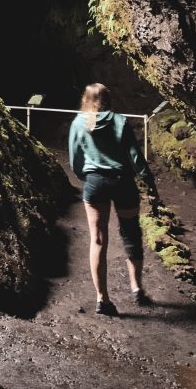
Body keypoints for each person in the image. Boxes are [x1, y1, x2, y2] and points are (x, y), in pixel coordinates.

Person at [68, 82, 159, 315]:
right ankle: (137, 287)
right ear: (108, 99)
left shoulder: (79, 122)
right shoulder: (119, 121)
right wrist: (149, 182)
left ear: (85, 99)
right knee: (131, 233)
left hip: (95, 184)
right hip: (123, 182)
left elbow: (75, 159)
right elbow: (135, 156)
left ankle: (103, 300)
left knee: (98, 240)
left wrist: (87, 176)